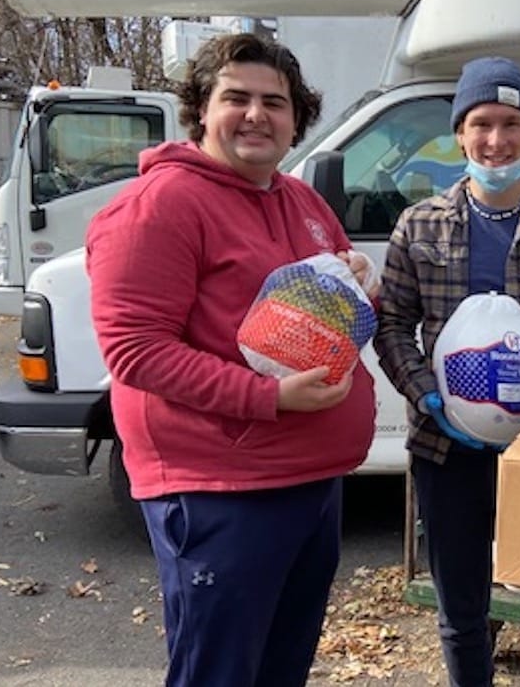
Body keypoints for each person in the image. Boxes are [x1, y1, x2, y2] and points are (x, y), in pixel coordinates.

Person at [86, 34, 379, 687]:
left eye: (274, 102)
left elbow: (337, 311)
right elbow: (137, 351)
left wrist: (358, 277)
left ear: (297, 118)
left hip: (312, 482)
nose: (257, 115)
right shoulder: (157, 207)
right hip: (223, 490)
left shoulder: (301, 200)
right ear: (200, 108)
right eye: (236, 97)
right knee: (219, 674)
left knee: (279, 669)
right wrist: (267, 399)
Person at [373, 56, 520, 687]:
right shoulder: (418, 224)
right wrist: (429, 400)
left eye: (510, 123)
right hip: (447, 450)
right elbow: (392, 326)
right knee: (462, 611)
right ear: (460, 134)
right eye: (481, 123)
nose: (496, 139)